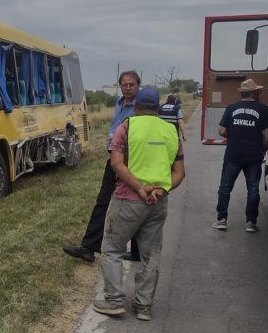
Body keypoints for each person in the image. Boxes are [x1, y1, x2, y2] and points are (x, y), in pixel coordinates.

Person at [92, 87, 185, 321]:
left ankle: (113, 301)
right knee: (150, 253)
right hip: (158, 203)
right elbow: (180, 172)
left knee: (113, 249)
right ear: (157, 107)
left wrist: (139, 187)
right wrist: (161, 189)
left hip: (128, 200)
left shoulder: (127, 126)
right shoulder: (171, 130)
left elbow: (116, 163)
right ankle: (143, 306)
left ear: (137, 106)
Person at [63, 70, 141, 263]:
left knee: (135, 203)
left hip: (130, 161)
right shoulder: (119, 103)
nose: (128, 88)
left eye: (131, 84)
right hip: (114, 158)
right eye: (124, 85)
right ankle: (90, 247)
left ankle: (134, 251)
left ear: (138, 85)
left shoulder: (140, 106)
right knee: (105, 201)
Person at [211, 79, 268, 233]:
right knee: (253, 189)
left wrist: (234, 135)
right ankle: (251, 223)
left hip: (233, 154)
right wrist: (262, 149)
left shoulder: (232, 108)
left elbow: (221, 130)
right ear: (254, 93)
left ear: (243, 93)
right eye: (258, 91)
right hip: (253, 156)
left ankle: (221, 220)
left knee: (225, 187)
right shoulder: (263, 109)